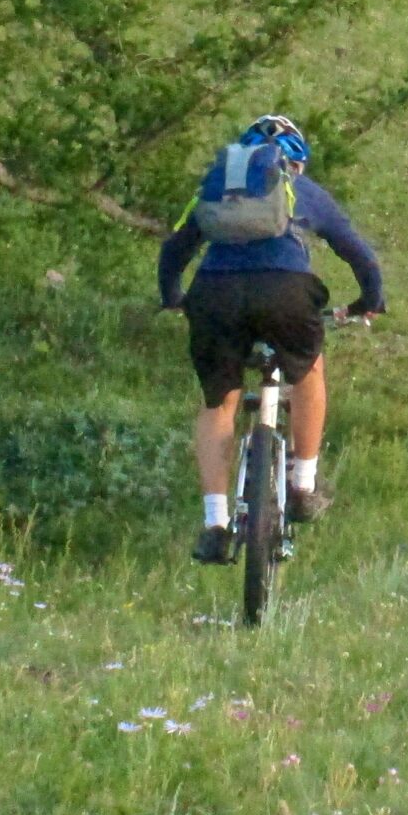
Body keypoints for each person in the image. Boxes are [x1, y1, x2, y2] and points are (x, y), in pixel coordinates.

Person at [158, 114, 385, 564]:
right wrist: (369, 301)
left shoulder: (214, 187)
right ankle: (302, 486)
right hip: (285, 291)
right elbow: (361, 256)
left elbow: (174, 251)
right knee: (308, 367)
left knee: (218, 401)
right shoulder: (305, 190)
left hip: (215, 294)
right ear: (296, 162)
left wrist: (175, 298)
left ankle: (215, 524)